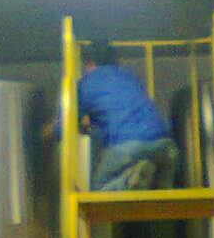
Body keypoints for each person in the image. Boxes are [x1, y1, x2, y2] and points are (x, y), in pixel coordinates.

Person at [75, 42, 176, 191]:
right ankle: (141, 176)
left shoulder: (85, 83)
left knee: (100, 191)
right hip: (165, 145)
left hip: (129, 145)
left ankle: (130, 179)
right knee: (158, 197)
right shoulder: (128, 77)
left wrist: (46, 132)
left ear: (89, 63)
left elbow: (64, 125)